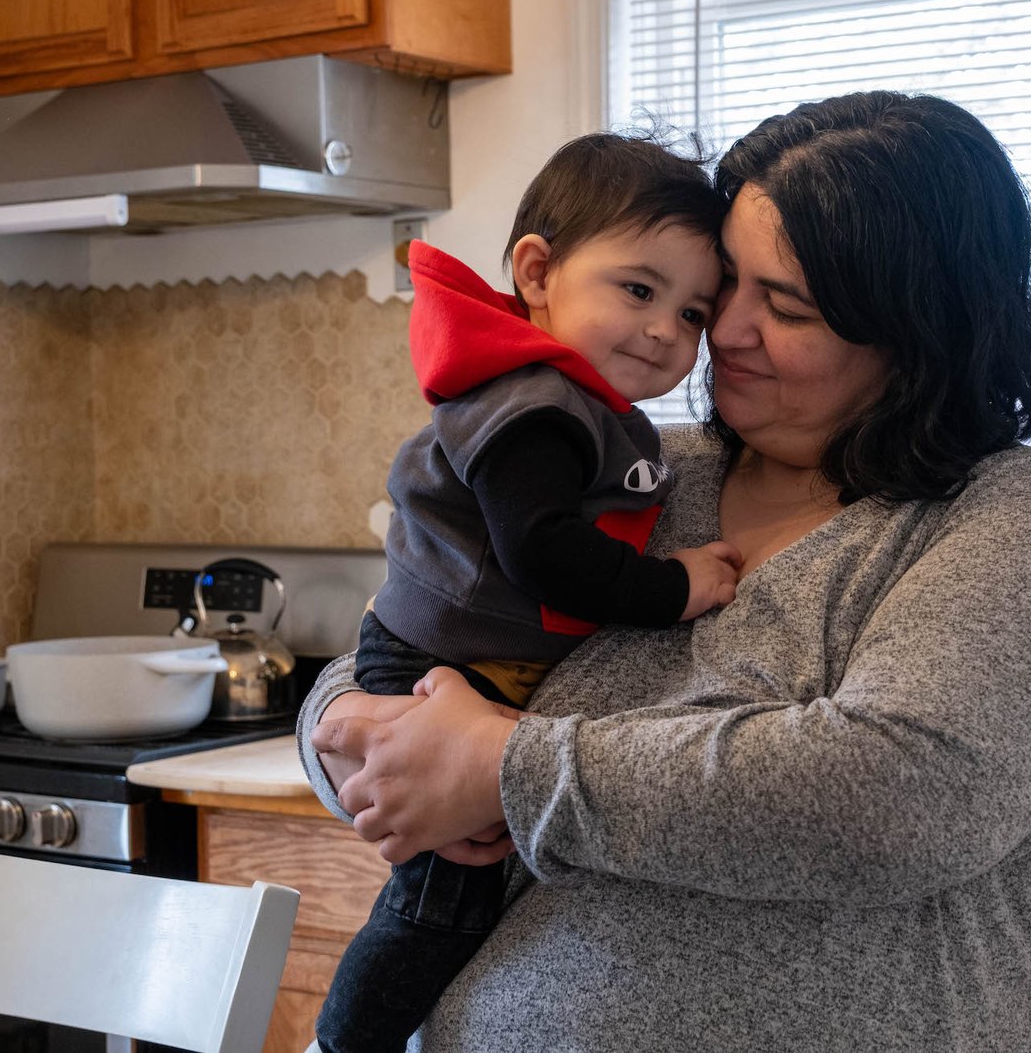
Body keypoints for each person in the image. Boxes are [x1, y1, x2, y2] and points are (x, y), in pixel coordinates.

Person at [299, 90, 1031, 1053]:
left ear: (920, 332)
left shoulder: (1023, 519)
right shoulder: (634, 463)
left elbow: (893, 801)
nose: (721, 334)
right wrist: (340, 730)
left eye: (784, 305)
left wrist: (497, 768)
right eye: (724, 293)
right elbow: (414, 626)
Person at [318, 133, 744, 1053]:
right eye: (639, 289)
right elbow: (545, 550)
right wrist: (677, 587)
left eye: (695, 312)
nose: (667, 330)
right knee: (440, 908)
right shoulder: (537, 406)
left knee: (449, 896)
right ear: (538, 271)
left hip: (455, 661)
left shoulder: (573, 401)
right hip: (435, 666)